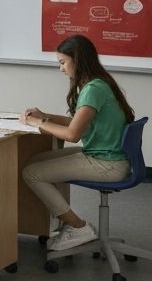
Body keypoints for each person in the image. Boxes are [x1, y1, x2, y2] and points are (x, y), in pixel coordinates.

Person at [21, 34, 133, 252]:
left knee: (31, 173)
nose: (61, 69)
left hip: (106, 163)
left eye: (63, 63)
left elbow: (72, 134)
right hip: (107, 156)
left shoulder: (93, 89)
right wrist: (46, 116)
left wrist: (39, 122)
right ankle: (61, 219)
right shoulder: (97, 83)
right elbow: (77, 123)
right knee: (35, 161)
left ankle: (77, 226)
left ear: (78, 60)